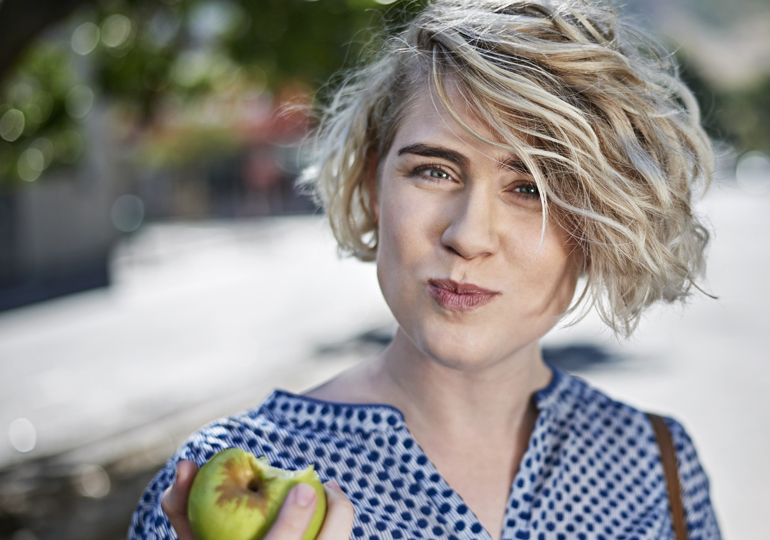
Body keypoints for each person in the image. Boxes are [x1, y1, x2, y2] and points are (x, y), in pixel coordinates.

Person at [129, 0, 721, 538]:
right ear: (372, 185)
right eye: (435, 171)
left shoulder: (655, 467)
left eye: (530, 188)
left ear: (600, 225)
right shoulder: (222, 483)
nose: (467, 235)